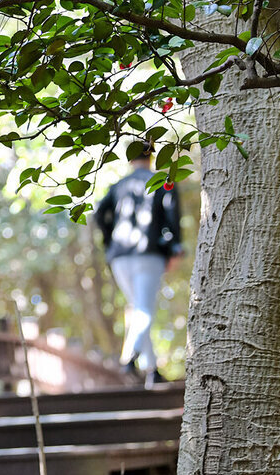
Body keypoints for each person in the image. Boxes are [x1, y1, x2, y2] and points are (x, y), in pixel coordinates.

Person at [94, 142, 184, 388]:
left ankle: (152, 371)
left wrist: (109, 239)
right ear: (151, 156)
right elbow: (172, 217)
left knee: (138, 309)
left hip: (120, 257)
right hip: (149, 254)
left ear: (129, 159)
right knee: (144, 309)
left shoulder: (118, 186)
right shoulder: (162, 182)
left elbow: (98, 214)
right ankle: (129, 356)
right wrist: (175, 248)